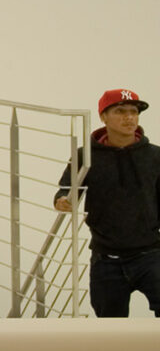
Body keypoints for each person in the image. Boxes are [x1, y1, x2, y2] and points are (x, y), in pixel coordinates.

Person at [55, 88, 160, 316]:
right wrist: (62, 200)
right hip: (106, 260)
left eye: (134, 112)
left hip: (151, 255)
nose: (129, 117)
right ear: (103, 116)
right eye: (120, 111)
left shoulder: (155, 156)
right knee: (109, 327)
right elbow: (66, 188)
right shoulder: (86, 155)